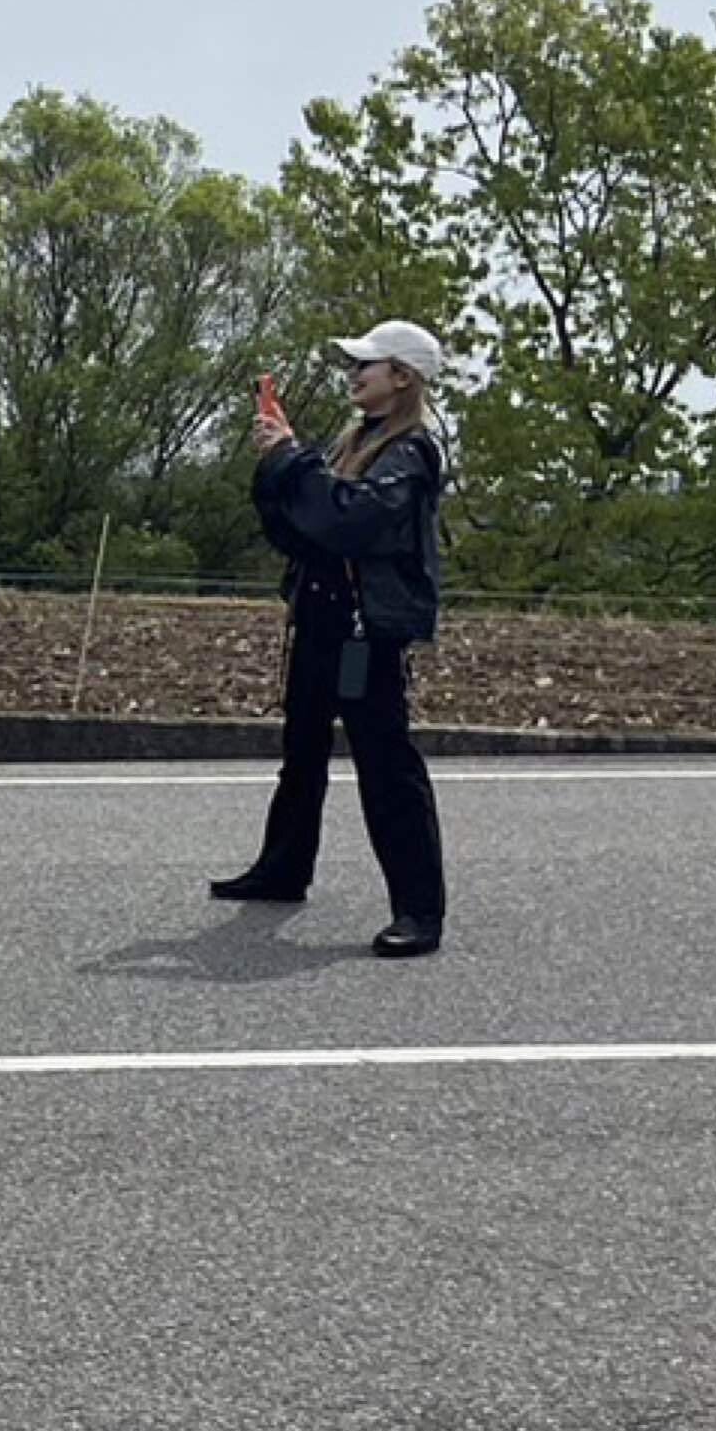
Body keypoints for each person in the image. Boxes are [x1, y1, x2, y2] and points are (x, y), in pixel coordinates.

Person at [213, 318, 453, 959]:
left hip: (364, 628)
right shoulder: (358, 439)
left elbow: (349, 521)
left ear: (402, 377)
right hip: (322, 616)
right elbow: (303, 522)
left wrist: (289, 457)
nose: (354, 374)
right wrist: (276, 467)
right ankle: (284, 869)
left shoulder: (412, 452)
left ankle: (419, 910)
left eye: (366, 366)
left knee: (386, 765)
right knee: (303, 750)